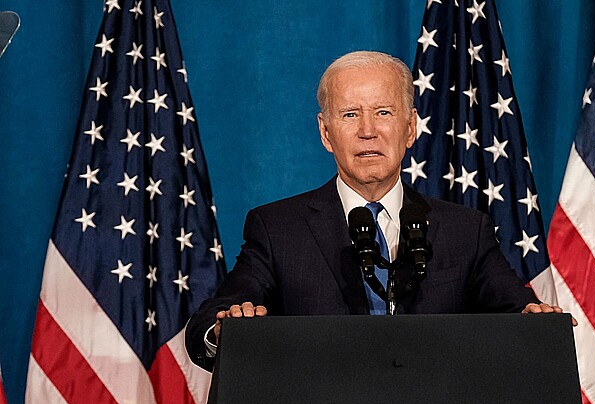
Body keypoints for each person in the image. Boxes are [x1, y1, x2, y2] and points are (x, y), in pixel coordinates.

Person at [185, 51, 569, 371]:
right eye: (350, 114)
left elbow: (518, 314)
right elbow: (212, 320)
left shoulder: (464, 230)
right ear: (326, 132)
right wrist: (225, 331)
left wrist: (536, 323)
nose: (368, 130)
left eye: (383, 112)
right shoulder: (278, 229)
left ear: (410, 127)